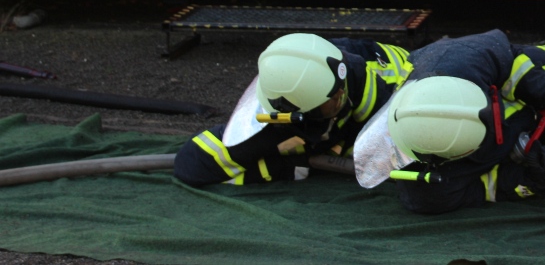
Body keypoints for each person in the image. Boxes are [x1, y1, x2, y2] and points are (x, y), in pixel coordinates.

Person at [382, 29, 545, 214]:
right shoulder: (427, 189)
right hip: (530, 155)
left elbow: (511, 61)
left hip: (538, 93)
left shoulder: (455, 59)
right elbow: (491, 189)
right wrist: (533, 178)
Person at [174, 32, 411, 186]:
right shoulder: (293, 80)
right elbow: (192, 164)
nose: (339, 93)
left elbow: (393, 169)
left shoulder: (388, 99)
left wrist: (301, 161)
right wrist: (290, 165)